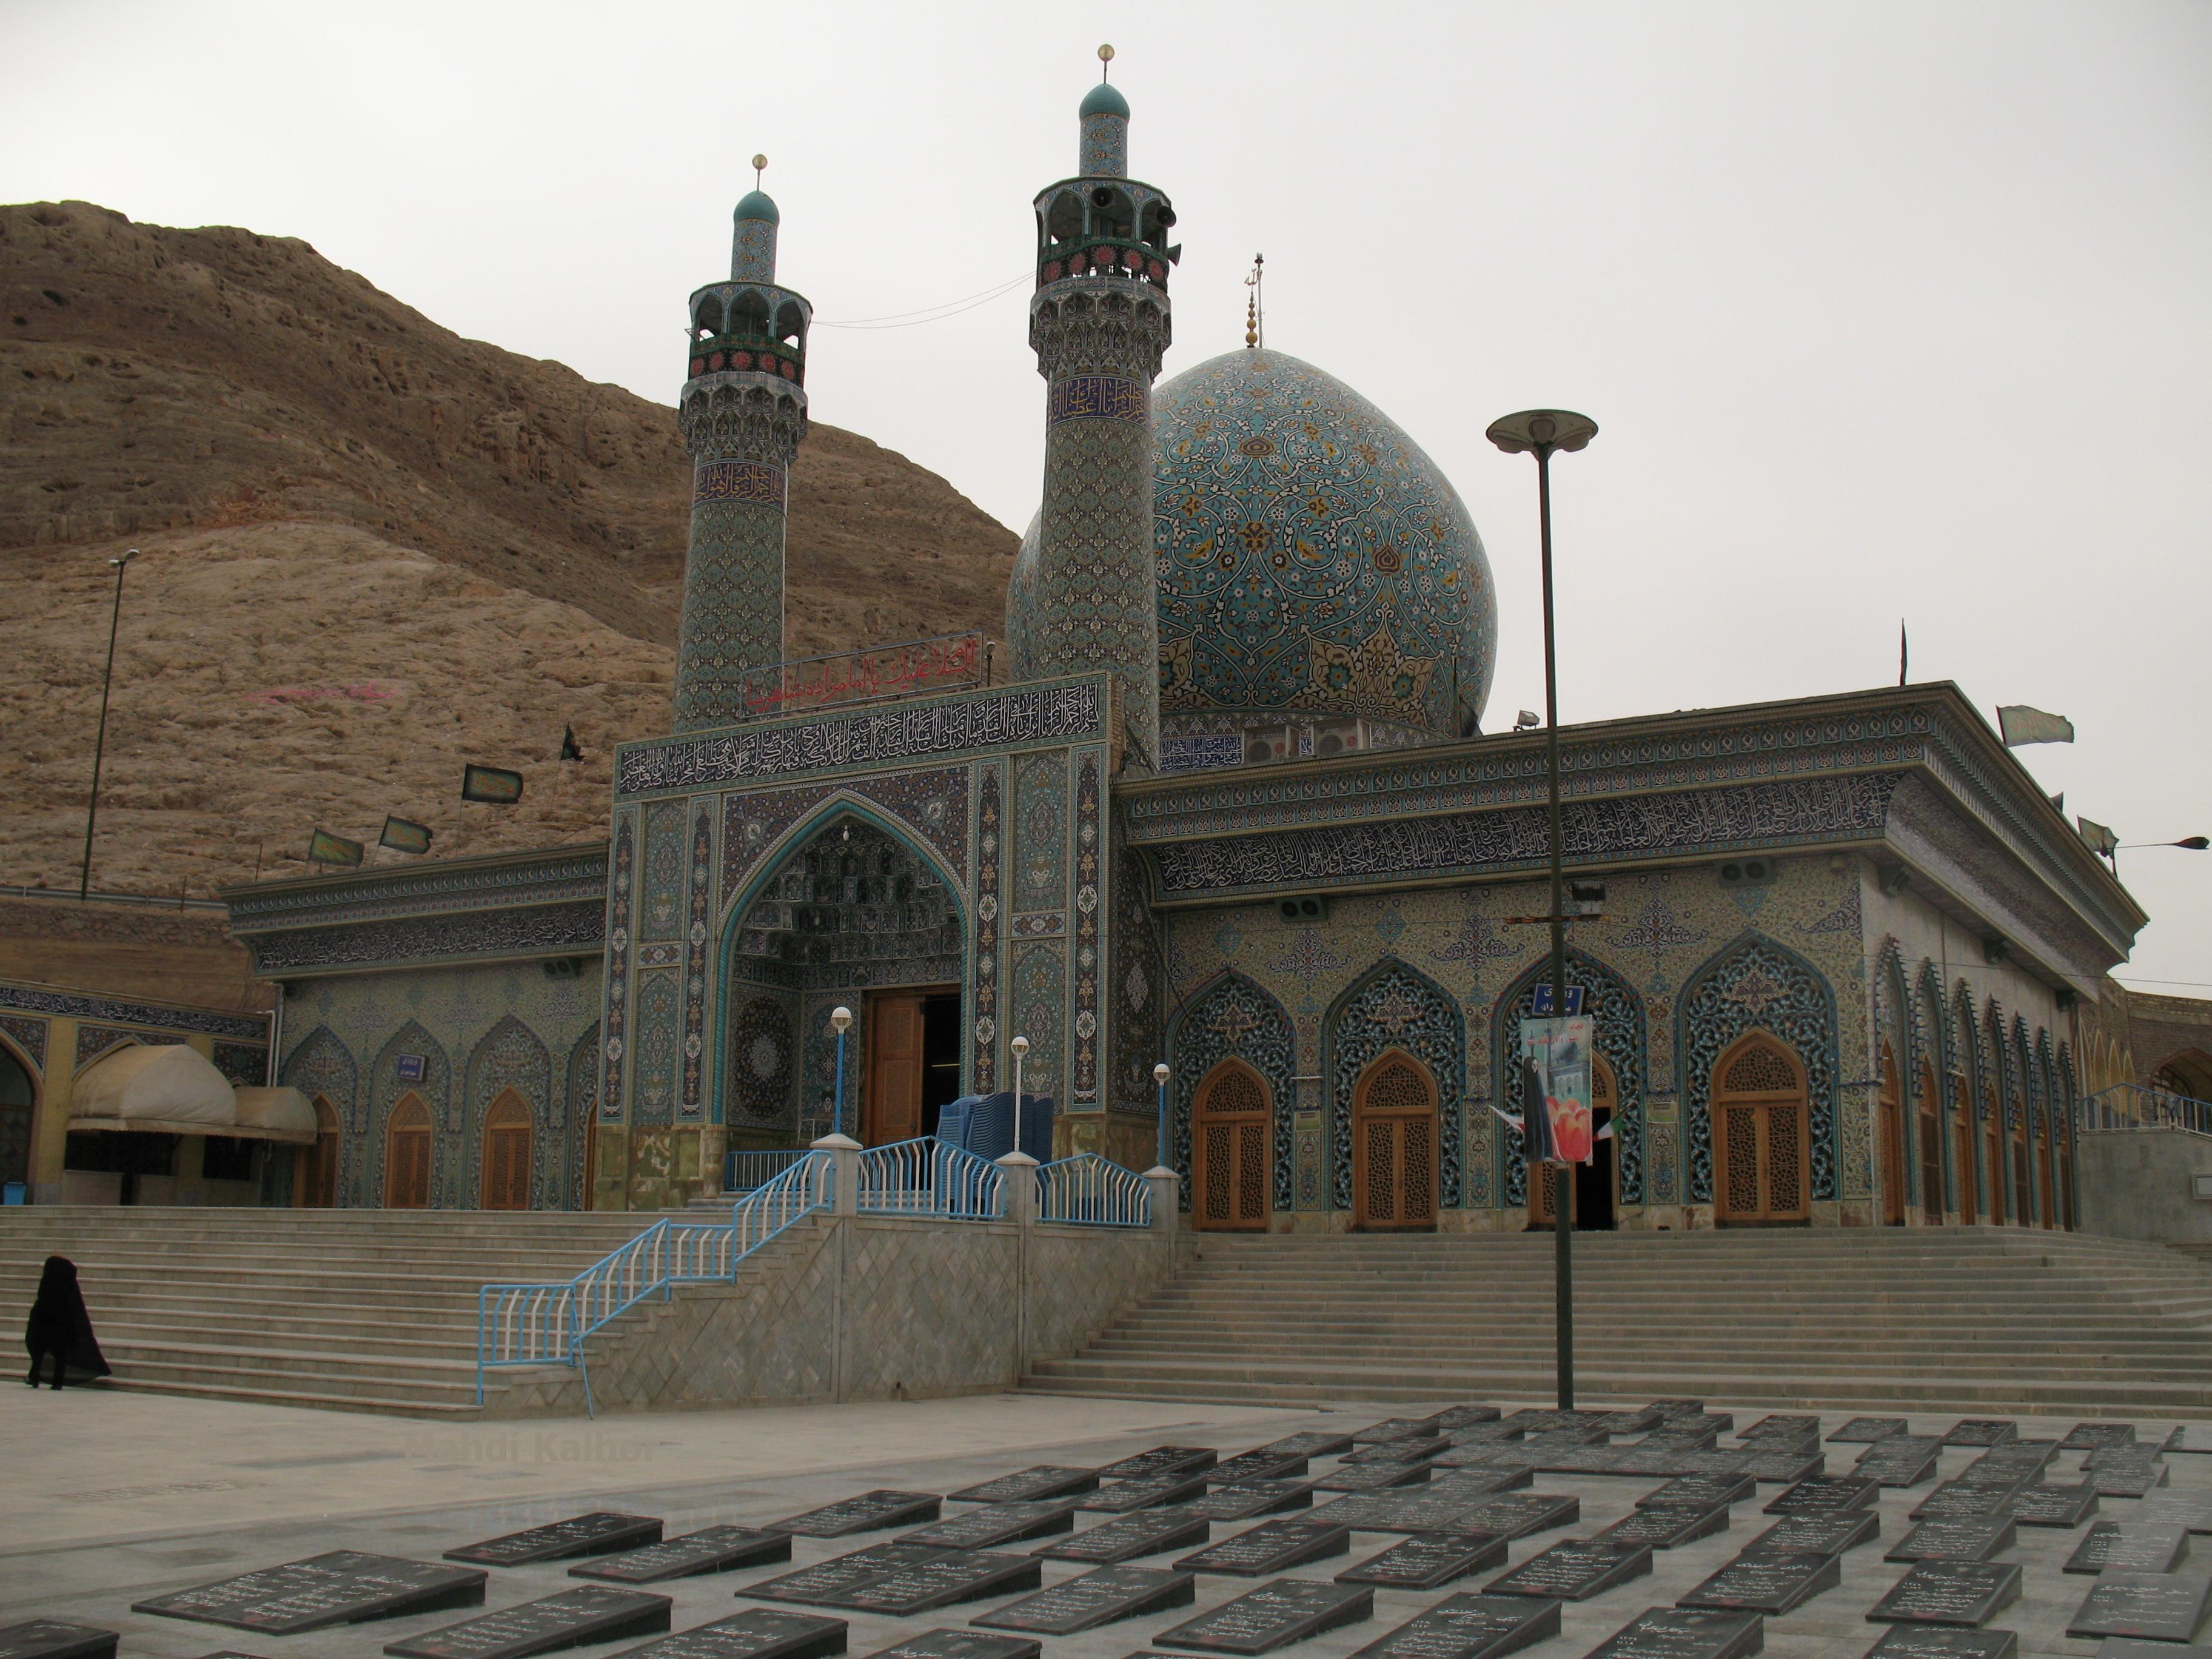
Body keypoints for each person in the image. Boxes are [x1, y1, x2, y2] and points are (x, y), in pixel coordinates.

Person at [24, 1255, 110, 1389]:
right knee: (59, 1353)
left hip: (46, 1324)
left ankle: (35, 1377)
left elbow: (42, 1303)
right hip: (61, 1325)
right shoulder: (68, 1287)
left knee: (41, 1351)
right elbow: (74, 1308)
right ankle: (54, 1381)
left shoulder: (47, 1284)